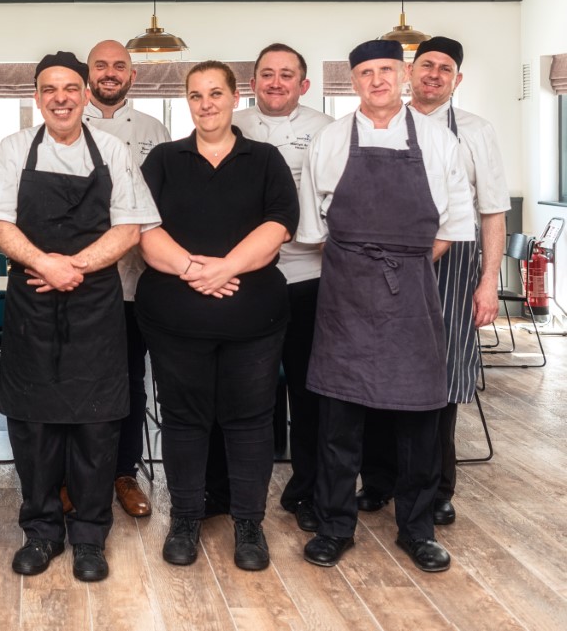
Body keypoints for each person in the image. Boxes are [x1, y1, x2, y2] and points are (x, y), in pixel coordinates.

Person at [0, 51, 160, 583]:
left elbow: (130, 226)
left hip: (94, 302)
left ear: (84, 95)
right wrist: (44, 264)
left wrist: (72, 266)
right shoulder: (15, 149)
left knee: (97, 426)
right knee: (32, 426)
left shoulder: (113, 150)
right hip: (33, 300)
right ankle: (41, 531)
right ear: (38, 97)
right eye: (49, 88)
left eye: (70, 88)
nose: (60, 97)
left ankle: (88, 535)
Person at [298, 39, 473, 573]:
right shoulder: (328, 140)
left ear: (402, 75)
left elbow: (453, 226)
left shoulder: (440, 142)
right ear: (353, 82)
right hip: (345, 297)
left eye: (386, 70)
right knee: (339, 421)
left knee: (420, 421)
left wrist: (402, 262)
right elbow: (314, 228)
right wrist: (363, 266)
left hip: (413, 297)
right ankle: (334, 526)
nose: (377, 80)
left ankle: (417, 530)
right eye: (366, 72)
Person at [137, 61, 298, 571]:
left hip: (254, 322)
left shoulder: (265, 158)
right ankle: (185, 517)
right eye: (195, 95)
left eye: (215, 93)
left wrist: (225, 267)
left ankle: (248, 524)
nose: (205, 104)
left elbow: (279, 225)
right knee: (184, 420)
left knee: (250, 421)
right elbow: (141, 227)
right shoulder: (164, 159)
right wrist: (191, 269)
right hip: (174, 321)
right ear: (186, 102)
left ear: (234, 98)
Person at [357, 37, 510, 526]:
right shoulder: (380, 124)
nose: (435, 74)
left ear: (456, 80)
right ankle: (378, 482)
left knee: (440, 379)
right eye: (427, 65)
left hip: (453, 264)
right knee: (380, 370)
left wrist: (489, 282)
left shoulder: (475, 132)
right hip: (383, 261)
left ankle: (437, 487)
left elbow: (492, 212)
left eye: (446, 69)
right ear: (408, 72)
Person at [233, 43, 334, 533]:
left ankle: (309, 489)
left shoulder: (327, 131)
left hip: (311, 276)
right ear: (252, 83)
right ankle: (234, 490)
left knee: (310, 389)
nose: (276, 82)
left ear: (304, 84)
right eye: (267, 74)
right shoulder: (231, 126)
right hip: (246, 277)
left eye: (287, 75)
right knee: (246, 389)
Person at [84, 39, 171, 519]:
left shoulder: (154, 130)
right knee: (79, 378)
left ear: (133, 76)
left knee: (131, 380)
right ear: (88, 73)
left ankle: (123, 471)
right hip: (80, 280)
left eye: (120, 66)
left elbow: (162, 206)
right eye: (102, 66)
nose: (111, 73)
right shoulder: (67, 124)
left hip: (137, 283)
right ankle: (75, 474)